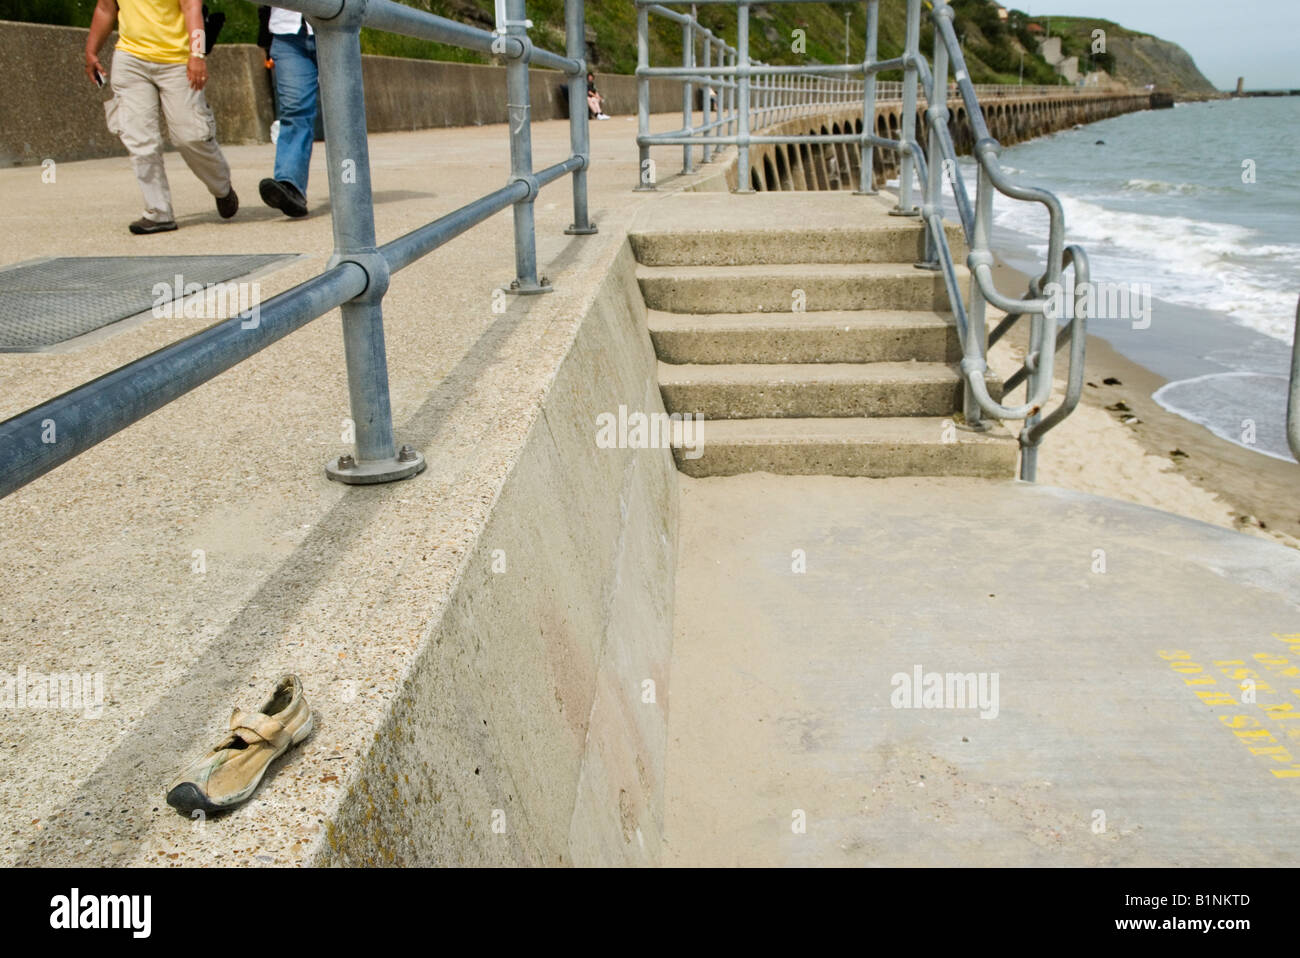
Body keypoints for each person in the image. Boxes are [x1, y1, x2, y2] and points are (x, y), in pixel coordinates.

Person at [85, 0, 238, 234]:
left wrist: (197, 54)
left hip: (178, 61)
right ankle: (158, 212)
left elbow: (191, 7)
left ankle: (221, 187)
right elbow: (106, 8)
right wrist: (91, 51)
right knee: (139, 139)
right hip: (130, 60)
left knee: (190, 137)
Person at [257, 6, 318, 218]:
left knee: (344, 113)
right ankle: (291, 187)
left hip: (336, 27)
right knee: (294, 111)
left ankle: (352, 185)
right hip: (287, 32)